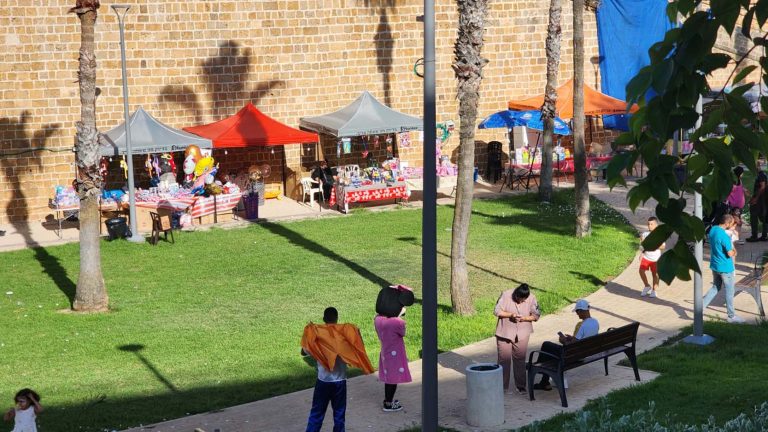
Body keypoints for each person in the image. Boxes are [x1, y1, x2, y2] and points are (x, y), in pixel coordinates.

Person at [301, 307, 373, 432]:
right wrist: (357, 333)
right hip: (340, 382)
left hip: (323, 382)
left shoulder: (318, 337)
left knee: (317, 413)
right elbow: (358, 347)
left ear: (324, 319)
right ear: (337, 318)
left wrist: (309, 334)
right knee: (339, 414)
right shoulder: (344, 337)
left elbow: (303, 352)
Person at [533, 299, 599, 391]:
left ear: (581, 311)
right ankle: (544, 382)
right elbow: (581, 339)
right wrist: (572, 338)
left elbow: (571, 346)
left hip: (573, 356)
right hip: (585, 353)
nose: (577, 314)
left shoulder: (582, 325)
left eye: (577, 312)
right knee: (549, 351)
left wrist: (563, 341)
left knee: (546, 345)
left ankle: (539, 368)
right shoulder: (595, 322)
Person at [493, 283, 540, 394]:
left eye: (523, 300)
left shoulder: (532, 298)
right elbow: (496, 311)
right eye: (518, 299)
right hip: (504, 333)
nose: (520, 302)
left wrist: (524, 318)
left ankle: (521, 386)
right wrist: (511, 315)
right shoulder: (505, 295)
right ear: (516, 294)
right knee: (504, 360)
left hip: (522, 333)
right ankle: (502, 387)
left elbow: (536, 315)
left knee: (520, 359)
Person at [374, 285, 413, 412]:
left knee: (389, 378)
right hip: (396, 355)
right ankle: (389, 404)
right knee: (393, 380)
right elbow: (403, 332)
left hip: (385, 353)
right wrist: (399, 315)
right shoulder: (397, 322)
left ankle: (387, 400)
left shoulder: (378, 319)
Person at [704, 214, 746, 323]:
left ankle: (700, 309)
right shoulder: (724, 236)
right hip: (726, 268)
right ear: (727, 223)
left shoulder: (713, 229)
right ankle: (731, 316)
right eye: (731, 224)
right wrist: (735, 251)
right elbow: (730, 253)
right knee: (729, 291)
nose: (732, 226)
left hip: (715, 265)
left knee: (715, 287)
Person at [639, 216, 665, 298]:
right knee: (641, 271)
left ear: (656, 225)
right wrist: (642, 253)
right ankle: (647, 286)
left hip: (656, 259)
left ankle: (654, 290)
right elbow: (643, 246)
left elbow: (663, 246)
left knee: (655, 275)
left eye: (651, 224)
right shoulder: (644, 234)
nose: (649, 226)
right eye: (648, 224)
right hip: (646, 257)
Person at [746, 171, 768, 242]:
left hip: (759, 201)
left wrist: (755, 198)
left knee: (754, 217)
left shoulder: (761, 175)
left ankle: (754, 236)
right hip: (762, 201)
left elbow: (762, 186)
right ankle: (764, 236)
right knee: (764, 218)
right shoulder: (763, 175)